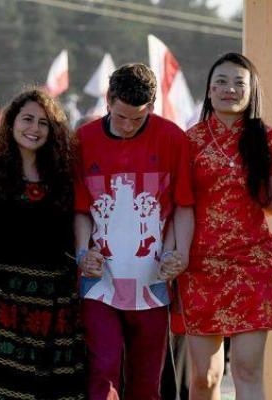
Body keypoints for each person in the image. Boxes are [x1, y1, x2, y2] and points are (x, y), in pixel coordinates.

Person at [73, 63, 194, 400]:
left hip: (152, 281)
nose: (127, 126)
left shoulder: (172, 138)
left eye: (137, 119)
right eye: (120, 116)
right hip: (99, 282)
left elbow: (184, 205)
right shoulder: (83, 139)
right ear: (108, 100)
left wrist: (180, 253)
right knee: (103, 372)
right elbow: (81, 210)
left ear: (151, 108)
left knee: (146, 383)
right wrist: (83, 252)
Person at [173, 52, 272, 400]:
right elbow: (181, 206)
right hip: (200, 267)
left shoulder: (267, 139)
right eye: (221, 82)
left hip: (251, 266)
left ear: (251, 91)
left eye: (239, 82)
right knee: (205, 378)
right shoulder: (188, 142)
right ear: (209, 91)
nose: (230, 89)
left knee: (247, 370)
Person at [0, 89, 86, 399]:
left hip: (53, 303)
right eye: (27, 119)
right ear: (11, 123)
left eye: (43, 123)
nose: (34, 129)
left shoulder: (65, 180)